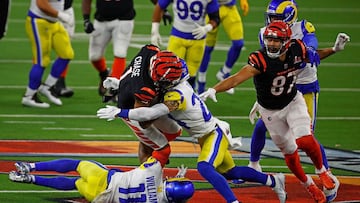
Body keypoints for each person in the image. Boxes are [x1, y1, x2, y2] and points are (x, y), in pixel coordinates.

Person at [200, 21, 349, 203]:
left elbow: (314, 56)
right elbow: (236, 78)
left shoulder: (296, 49)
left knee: (305, 138)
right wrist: (215, 89)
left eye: (276, 41)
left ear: (286, 41)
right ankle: (308, 184)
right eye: (269, 39)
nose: (271, 44)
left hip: (293, 102)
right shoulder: (260, 59)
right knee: (290, 154)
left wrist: (334, 49)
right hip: (270, 111)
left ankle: (322, 171)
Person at [96, 62, 287, 203]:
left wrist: (121, 111)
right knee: (231, 172)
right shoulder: (176, 82)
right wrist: (121, 84)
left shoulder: (175, 95)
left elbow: (152, 112)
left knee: (204, 167)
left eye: (159, 78)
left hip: (212, 135)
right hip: (207, 135)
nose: (155, 80)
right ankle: (274, 181)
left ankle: (233, 202)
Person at [247, 1, 349, 201]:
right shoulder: (265, 33)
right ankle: (253, 166)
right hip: (281, 86)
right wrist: (260, 97)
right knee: (261, 126)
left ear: (290, 15)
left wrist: (328, 50)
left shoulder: (303, 28)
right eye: (271, 17)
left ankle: (328, 177)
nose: (272, 21)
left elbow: (311, 50)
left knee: (306, 137)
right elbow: (269, 67)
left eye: (276, 17)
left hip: (304, 86)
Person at [100, 45, 184, 164]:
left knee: (175, 131)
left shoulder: (150, 50)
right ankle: (148, 178)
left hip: (130, 89)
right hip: (132, 111)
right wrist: (165, 107)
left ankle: (149, 146)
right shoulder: (144, 89)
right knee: (163, 150)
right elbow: (143, 122)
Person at [9, 155, 195, 202]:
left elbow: (154, 155)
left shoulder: (153, 172)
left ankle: (31, 167)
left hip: (103, 178)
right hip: (99, 197)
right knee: (74, 183)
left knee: (76, 165)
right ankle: (30, 179)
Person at [151, 0, 220, 88]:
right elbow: (160, 6)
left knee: (191, 74)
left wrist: (207, 28)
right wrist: (154, 31)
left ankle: (189, 98)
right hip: (178, 36)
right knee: (170, 71)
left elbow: (215, 18)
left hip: (197, 39)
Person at [22, 0, 74, 108]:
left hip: (54, 23)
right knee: (42, 61)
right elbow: (41, 3)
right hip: (39, 21)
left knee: (67, 54)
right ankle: (28, 96)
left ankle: (47, 87)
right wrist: (60, 15)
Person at [81, 0, 135, 96]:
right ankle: (104, 73)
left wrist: (161, 8)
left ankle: (114, 89)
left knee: (120, 52)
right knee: (94, 56)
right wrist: (86, 19)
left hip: (124, 19)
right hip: (101, 20)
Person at [197, 0, 249, 94]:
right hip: (211, 9)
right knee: (207, 48)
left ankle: (224, 72)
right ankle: (201, 82)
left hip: (229, 8)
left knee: (238, 44)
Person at [51, 0, 75, 98]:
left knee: (64, 49)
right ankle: (35, 88)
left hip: (65, 10)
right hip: (45, 12)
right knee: (42, 52)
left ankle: (59, 83)